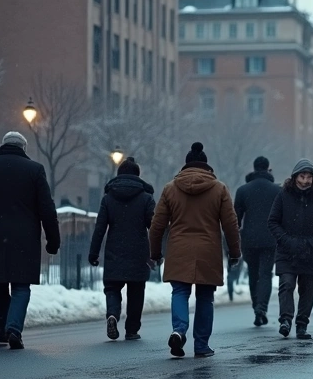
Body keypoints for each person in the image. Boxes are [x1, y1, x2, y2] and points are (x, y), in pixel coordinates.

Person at [0, 132, 60, 350]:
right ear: (23, 148)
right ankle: (14, 328)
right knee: (20, 285)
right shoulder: (35, 170)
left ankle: (2, 327)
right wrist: (53, 240)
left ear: (2, 145)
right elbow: (47, 208)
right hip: (25, 237)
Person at [149, 143, 240, 358]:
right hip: (208, 250)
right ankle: (201, 345)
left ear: (186, 165)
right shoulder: (219, 189)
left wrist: (154, 252)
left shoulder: (170, 188)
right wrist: (234, 252)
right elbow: (230, 224)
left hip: (179, 248)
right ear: (206, 167)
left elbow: (157, 224)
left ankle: (179, 330)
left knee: (180, 292)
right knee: (205, 297)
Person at [88, 157, 156, 341]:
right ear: (138, 175)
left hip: (114, 250)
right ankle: (132, 329)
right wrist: (157, 252)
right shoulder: (146, 198)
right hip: (138, 251)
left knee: (112, 288)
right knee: (136, 291)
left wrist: (93, 253)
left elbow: (100, 227)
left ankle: (112, 314)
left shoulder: (108, 198)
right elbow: (155, 227)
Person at [268, 159, 313, 339]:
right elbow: (273, 221)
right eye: (302, 176)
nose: (305, 181)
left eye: (309, 177)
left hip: (311, 251)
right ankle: (285, 320)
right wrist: (287, 241)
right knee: (286, 285)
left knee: (308, 289)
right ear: (295, 177)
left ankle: (302, 324)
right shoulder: (283, 194)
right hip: (287, 250)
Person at [234, 156, 282, 328]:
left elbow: (236, 219)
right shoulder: (277, 191)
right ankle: (262, 307)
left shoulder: (243, 190)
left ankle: (256, 305)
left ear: (254, 168)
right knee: (266, 274)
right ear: (268, 168)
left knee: (253, 274)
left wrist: (235, 239)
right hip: (270, 239)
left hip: (249, 239)